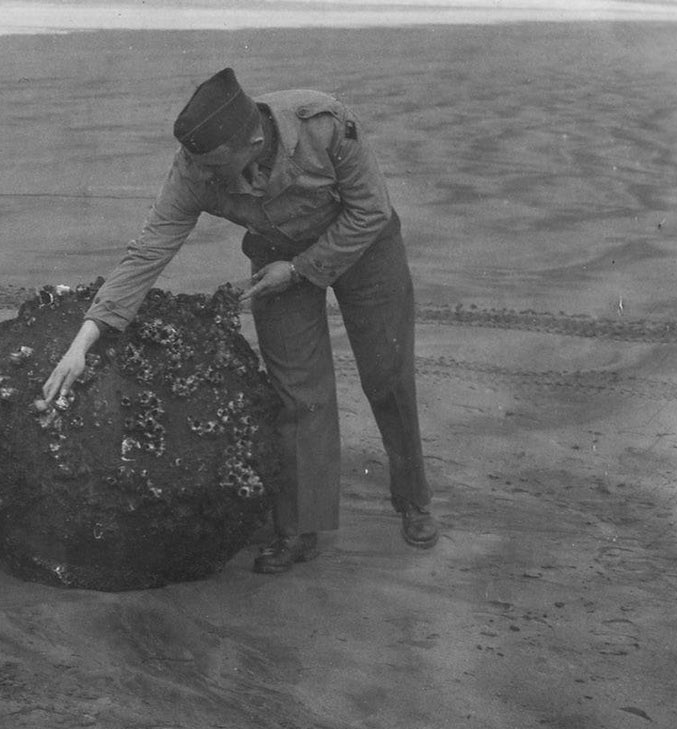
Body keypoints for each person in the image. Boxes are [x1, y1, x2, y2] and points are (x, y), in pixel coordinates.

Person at [38, 67, 438, 574]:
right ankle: (301, 527)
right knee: (298, 393)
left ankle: (413, 498)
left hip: (364, 246)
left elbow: (371, 211)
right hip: (275, 253)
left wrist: (300, 270)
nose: (203, 174)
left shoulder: (325, 123)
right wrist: (84, 340)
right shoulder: (196, 164)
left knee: (387, 374)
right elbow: (149, 251)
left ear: (252, 139)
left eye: (214, 166)